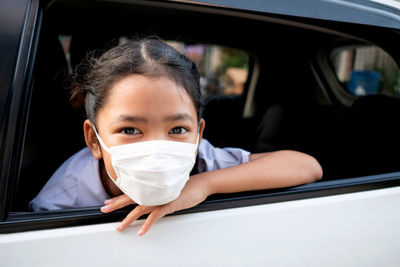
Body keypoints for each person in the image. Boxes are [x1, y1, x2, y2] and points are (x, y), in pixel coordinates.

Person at [29, 38, 322, 236]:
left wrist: (204, 184)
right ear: (94, 140)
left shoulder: (204, 158)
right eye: (130, 130)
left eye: (177, 130)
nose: (158, 149)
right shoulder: (59, 202)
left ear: (198, 134)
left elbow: (307, 166)